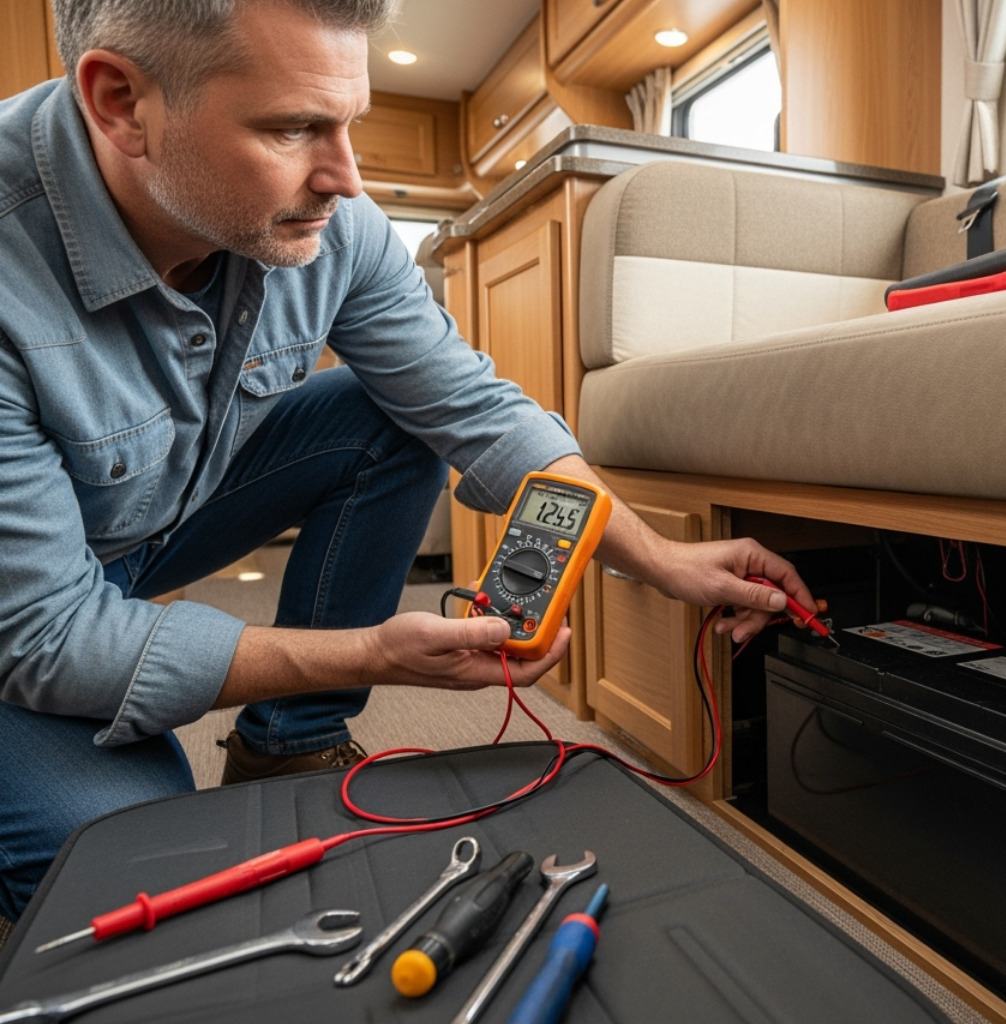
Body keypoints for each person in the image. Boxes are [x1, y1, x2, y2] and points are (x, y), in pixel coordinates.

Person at [0, 0, 817, 924]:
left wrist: (665, 561)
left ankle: (289, 743)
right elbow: (45, 635)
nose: (345, 179)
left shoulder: (335, 226)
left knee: (386, 417)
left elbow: (471, 408)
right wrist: (370, 655)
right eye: (293, 128)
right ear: (120, 102)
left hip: (142, 529)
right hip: (15, 614)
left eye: (350, 121)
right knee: (137, 868)